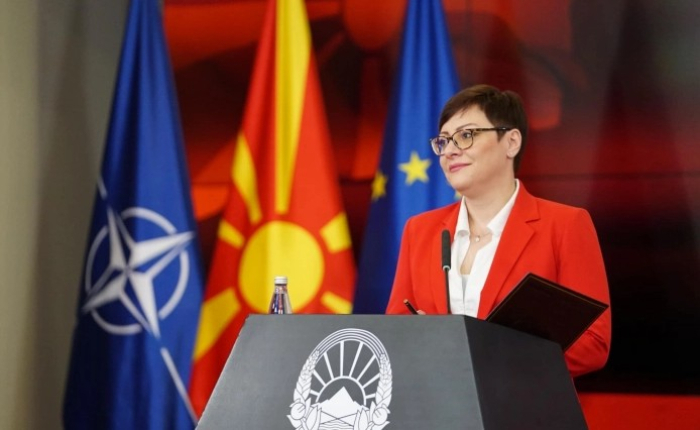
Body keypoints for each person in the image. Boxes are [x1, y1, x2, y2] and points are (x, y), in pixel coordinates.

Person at [385, 84, 611, 377]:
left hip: (524, 402)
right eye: (443, 141)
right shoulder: (420, 230)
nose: (450, 151)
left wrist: (485, 355)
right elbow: (396, 332)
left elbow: (593, 342)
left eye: (466, 136)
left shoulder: (564, 225)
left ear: (511, 142)